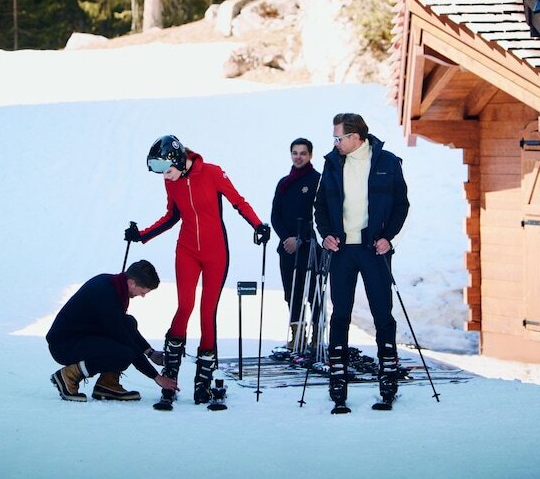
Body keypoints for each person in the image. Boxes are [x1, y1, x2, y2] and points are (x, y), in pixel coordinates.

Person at [125, 135, 271, 405]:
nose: (165, 177)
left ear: (179, 159)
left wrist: (258, 224)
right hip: (187, 250)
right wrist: (141, 235)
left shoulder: (213, 173)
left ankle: (202, 383)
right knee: (184, 307)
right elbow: (172, 216)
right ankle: (170, 379)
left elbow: (238, 202)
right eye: (160, 172)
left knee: (207, 313)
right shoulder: (172, 181)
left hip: (216, 253)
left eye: (166, 170)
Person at [314, 113, 409, 408]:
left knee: (382, 313)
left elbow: (401, 204)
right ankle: (338, 379)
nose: (335, 143)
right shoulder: (332, 163)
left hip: (374, 249)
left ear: (355, 137)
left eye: (339, 137)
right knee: (340, 313)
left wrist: (389, 238)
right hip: (342, 250)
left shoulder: (387, 162)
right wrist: (326, 235)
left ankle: (388, 378)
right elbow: (320, 206)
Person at [47, 259, 178, 402]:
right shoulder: (106, 296)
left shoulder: (112, 284)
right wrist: (157, 377)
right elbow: (125, 339)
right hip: (65, 345)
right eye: (142, 292)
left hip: (81, 336)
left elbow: (125, 327)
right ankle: (68, 376)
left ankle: (107, 385)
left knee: (129, 322)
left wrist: (150, 352)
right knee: (125, 354)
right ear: (132, 283)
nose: (142, 296)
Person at [270, 137, 322, 351]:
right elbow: (275, 216)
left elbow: (319, 216)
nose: (298, 157)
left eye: (303, 153)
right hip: (287, 250)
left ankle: (317, 336)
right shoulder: (284, 183)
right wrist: (286, 239)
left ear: (310, 155)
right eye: (295, 153)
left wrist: (300, 239)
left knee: (313, 293)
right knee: (292, 293)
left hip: (310, 248)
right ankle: (297, 335)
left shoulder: (318, 180)